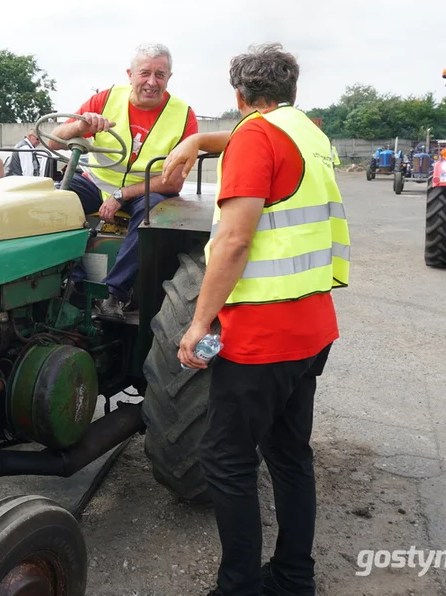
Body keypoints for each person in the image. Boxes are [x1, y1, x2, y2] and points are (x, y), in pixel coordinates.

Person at [165, 43, 349, 596]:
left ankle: (238, 587)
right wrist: (198, 139)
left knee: (226, 460)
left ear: (239, 96)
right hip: (312, 326)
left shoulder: (254, 137)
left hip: (262, 338)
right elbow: (258, 137)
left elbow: (235, 239)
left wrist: (198, 324)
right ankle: (295, 578)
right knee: (290, 454)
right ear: (291, 93)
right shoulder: (309, 134)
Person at [48, 42, 200, 319]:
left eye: (160, 74)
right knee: (56, 199)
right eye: (145, 73)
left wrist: (122, 195)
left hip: (144, 190)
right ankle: (74, 283)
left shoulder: (183, 115)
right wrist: (82, 126)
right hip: (97, 181)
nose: (152, 82)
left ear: (169, 77)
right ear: (130, 74)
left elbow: (173, 183)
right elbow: (54, 138)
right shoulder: (104, 100)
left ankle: (114, 295)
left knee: (150, 212)